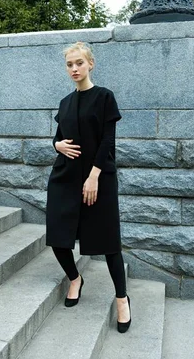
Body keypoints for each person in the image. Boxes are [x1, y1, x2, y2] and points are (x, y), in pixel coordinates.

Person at [46, 42, 131, 333]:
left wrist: (94, 175)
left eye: (79, 63)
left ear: (90, 64)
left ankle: (122, 299)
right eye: (69, 64)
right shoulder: (65, 103)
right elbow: (58, 138)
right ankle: (74, 278)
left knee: (109, 243)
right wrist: (56, 145)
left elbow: (108, 140)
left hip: (98, 178)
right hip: (65, 177)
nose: (74, 69)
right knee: (57, 235)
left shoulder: (104, 97)